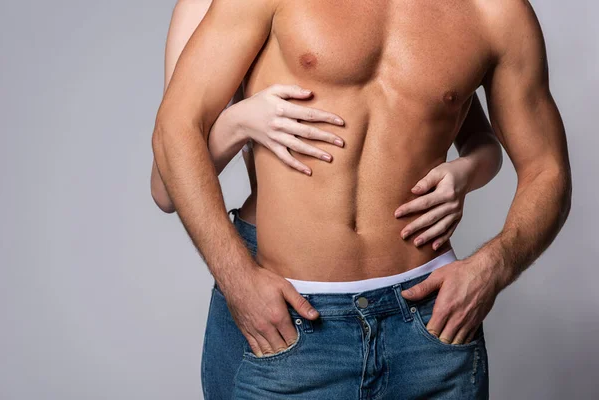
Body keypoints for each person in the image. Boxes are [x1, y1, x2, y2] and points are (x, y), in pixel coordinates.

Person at [151, 0, 572, 398]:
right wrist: (237, 279)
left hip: (432, 325)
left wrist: (491, 267)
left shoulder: (494, 11)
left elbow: (546, 169)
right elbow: (176, 126)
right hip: (291, 318)